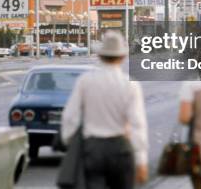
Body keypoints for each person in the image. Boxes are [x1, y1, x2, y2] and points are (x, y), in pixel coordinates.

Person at [61, 31, 148, 189]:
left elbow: (69, 117)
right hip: (120, 147)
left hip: (93, 147)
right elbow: (137, 125)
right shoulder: (131, 85)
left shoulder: (85, 81)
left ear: (100, 56)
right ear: (122, 57)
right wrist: (141, 159)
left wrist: (70, 142)